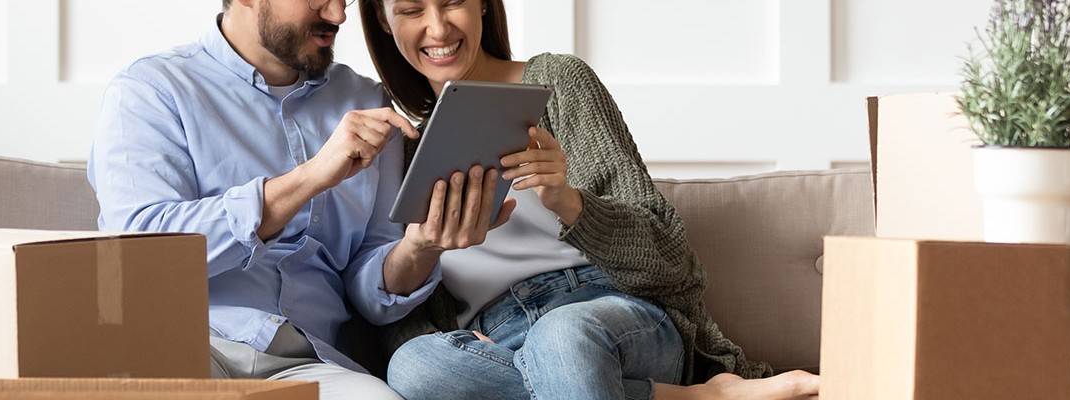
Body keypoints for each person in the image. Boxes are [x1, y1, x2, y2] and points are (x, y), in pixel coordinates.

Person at [356, 0, 823, 399]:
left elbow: (670, 260)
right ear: (382, 18)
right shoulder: (398, 148)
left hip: (611, 314)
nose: (438, 28)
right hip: (497, 336)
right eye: (411, 9)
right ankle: (695, 396)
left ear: (482, 3)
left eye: (453, 1)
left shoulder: (558, 82)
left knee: (562, 336)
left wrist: (568, 200)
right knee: (414, 368)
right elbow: (399, 314)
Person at [87, 0, 513, 398]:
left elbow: (372, 289)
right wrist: (309, 178)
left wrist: (420, 246)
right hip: (186, 344)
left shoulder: (365, 100)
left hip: (309, 361)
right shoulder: (152, 90)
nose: (338, 15)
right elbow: (137, 255)